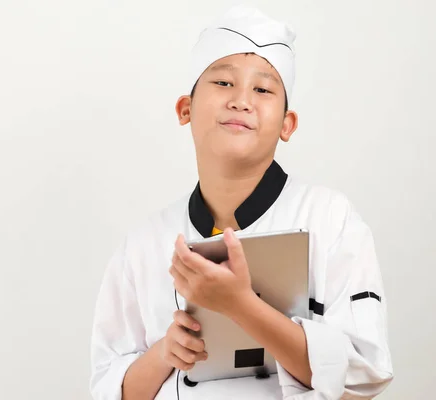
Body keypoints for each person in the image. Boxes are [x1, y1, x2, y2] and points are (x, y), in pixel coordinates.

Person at [89, 5, 393, 399]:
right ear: (185, 109)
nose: (241, 101)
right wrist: (167, 350)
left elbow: (365, 374)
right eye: (223, 84)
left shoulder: (330, 219)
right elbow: (109, 389)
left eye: (263, 89)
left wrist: (240, 306)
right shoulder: (144, 242)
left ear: (288, 124)